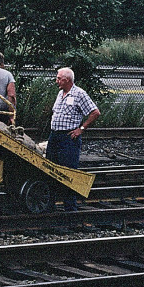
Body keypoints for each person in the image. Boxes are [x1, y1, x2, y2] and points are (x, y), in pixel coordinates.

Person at [46, 67, 100, 211]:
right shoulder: (60, 93)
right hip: (55, 136)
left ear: (67, 80)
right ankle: (50, 205)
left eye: (59, 78)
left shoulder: (79, 94)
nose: (57, 80)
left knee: (68, 172)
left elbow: (95, 112)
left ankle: (70, 207)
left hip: (68, 138)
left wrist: (81, 129)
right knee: (50, 170)